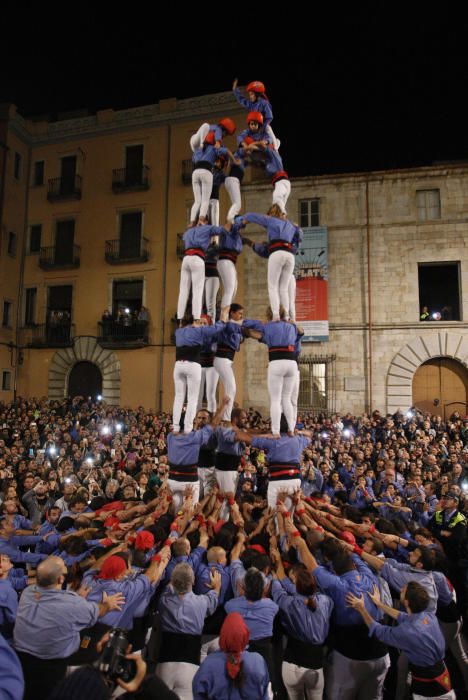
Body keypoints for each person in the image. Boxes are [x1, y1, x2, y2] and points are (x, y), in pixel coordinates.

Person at [13, 556, 125, 700]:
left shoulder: (28, 592)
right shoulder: (73, 605)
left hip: (20, 660)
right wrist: (108, 604)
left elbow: (55, 604)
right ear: (60, 579)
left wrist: (77, 597)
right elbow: (98, 611)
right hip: (50, 667)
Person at [347, 581, 455, 700]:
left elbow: (378, 631)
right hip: (443, 676)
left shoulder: (407, 631)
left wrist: (362, 608)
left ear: (407, 602)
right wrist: (379, 604)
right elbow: (402, 616)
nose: (401, 589)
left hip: (430, 688)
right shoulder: (428, 616)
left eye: (404, 590)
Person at [270, 549, 334, 700]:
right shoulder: (326, 601)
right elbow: (304, 595)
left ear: (297, 586)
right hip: (316, 665)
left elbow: (279, 592)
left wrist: (275, 577)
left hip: (293, 664)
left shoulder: (290, 604)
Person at [156, 562, 222, 700]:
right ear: (193, 581)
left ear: (173, 581)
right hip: (190, 665)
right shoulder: (202, 602)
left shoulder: (164, 601)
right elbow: (214, 597)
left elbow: (169, 587)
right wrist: (217, 586)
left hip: (165, 663)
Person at [244, 307, 300, 435]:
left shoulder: (268, 326)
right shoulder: (291, 326)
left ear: (269, 314)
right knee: (287, 398)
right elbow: (299, 334)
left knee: (275, 400)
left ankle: (276, 432)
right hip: (292, 363)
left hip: (276, 362)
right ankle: (291, 429)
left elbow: (249, 325)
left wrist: (242, 327)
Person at [240, 207, 303, 320]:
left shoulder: (271, 220)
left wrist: (243, 220)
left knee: (272, 286)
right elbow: (300, 236)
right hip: (290, 256)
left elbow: (253, 216)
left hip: (277, 254)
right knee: (283, 288)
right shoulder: (291, 225)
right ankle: (287, 316)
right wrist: (297, 229)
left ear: (272, 213)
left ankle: (276, 315)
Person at [167, 397, 228, 510]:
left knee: (209, 497)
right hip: (195, 471)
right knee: (196, 500)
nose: (201, 420)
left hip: (210, 470)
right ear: (195, 419)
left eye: (204, 418)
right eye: (199, 418)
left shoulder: (213, 433)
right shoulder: (192, 434)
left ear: (209, 420)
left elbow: (208, 444)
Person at [192, 612, 270, 700]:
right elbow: (264, 695)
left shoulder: (208, 664)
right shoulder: (258, 661)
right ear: (245, 634)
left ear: (223, 635)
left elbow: (198, 694)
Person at [238, 416, 311, 509]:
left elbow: (246, 438)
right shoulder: (298, 439)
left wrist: (263, 434)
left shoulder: (273, 440)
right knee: (288, 517)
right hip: (294, 481)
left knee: (274, 515)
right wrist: (298, 432)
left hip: (277, 481)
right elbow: (310, 435)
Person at [173, 315, 220, 434]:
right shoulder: (200, 332)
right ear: (195, 323)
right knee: (193, 399)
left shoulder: (179, 331)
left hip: (179, 365)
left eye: (204, 323)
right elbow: (216, 330)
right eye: (200, 322)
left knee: (179, 397)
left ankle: (176, 426)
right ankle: (188, 428)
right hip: (194, 365)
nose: (202, 325)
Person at [177, 223, 225, 322]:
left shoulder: (215, 247)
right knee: (200, 300)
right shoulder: (201, 243)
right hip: (201, 273)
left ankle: (210, 323)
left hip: (211, 274)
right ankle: (199, 321)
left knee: (210, 303)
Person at [232, 79, 279, 151]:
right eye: (249, 94)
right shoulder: (251, 104)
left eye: (251, 94)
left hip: (263, 126)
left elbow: (269, 117)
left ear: (257, 94)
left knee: (268, 129)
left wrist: (263, 126)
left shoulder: (264, 103)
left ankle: (276, 148)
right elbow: (242, 100)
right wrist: (235, 90)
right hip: (255, 127)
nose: (250, 96)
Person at [217, 221, 244, 321]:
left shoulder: (237, 237)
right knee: (229, 290)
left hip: (229, 262)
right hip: (225, 261)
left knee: (233, 290)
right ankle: (224, 317)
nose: (241, 229)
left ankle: (228, 314)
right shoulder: (230, 233)